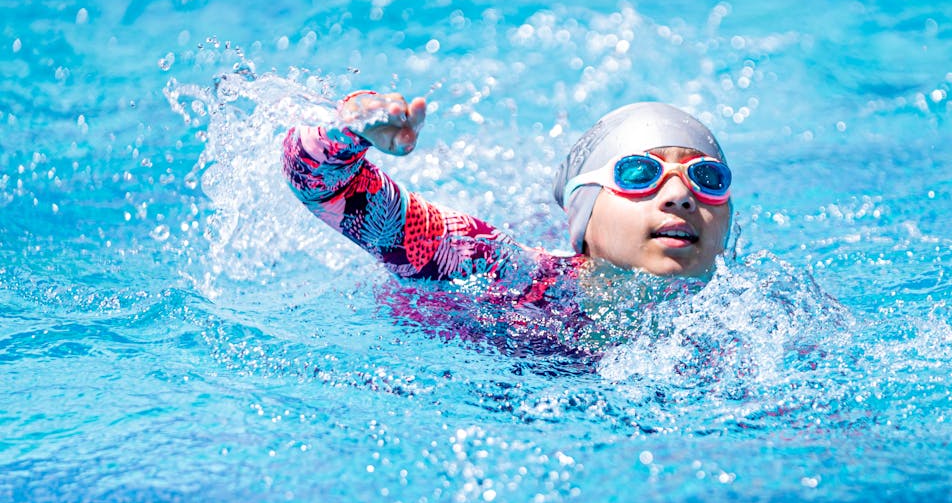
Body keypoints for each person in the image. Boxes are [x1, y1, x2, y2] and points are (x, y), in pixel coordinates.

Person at [281, 90, 734, 354]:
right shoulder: (499, 272)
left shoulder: (745, 324)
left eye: (707, 178)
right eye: (640, 174)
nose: (680, 196)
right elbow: (320, 182)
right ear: (585, 213)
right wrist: (348, 134)